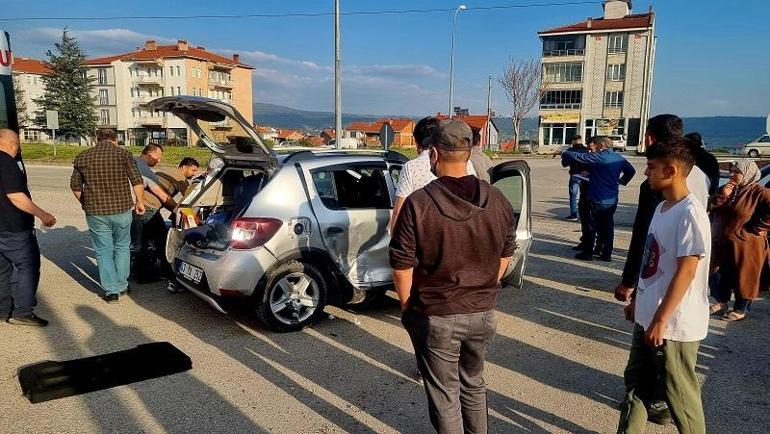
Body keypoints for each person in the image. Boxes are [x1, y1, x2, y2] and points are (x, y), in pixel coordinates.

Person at [390, 119, 516, 433]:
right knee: (474, 385)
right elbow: (507, 252)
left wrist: (407, 307)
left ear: (433, 154)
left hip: (437, 313)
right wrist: (487, 284)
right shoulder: (497, 199)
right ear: (470, 152)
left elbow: (402, 264)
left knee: (445, 396)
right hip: (483, 311)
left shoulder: (418, 204)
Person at [617, 140, 709, 434]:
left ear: (671, 170)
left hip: (673, 324)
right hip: (649, 317)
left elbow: (687, 270)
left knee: (679, 394)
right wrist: (638, 302)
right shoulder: (662, 208)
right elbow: (652, 261)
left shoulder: (690, 213)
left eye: (652, 168)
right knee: (635, 384)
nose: (646, 173)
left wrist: (660, 319)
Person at [71, 129, 145, 303]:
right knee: (122, 247)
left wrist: (86, 202)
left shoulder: (82, 156)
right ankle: (122, 286)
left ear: (97, 140)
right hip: (122, 210)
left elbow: (75, 187)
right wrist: (139, 201)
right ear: (115, 140)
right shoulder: (123, 154)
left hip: (96, 212)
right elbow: (137, 180)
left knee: (103, 251)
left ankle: (111, 292)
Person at [0, 129, 56, 326]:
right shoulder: (7, 163)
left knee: (3, 269)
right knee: (28, 266)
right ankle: (23, 311)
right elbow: (15, 196)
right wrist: (42, 214)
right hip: (14, 227)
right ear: (13, 144)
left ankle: (3, 309)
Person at [391, 116, 476, 232]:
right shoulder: (465, 163)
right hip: (460, 233)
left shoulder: (411, 167)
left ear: (416, 142)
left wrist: (395, 242)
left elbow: (398, 212)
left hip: (422, 236)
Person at [709, 160, 770, 321]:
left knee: (745, 276)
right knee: (720, 274)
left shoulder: (759, 192)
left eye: (736, 172)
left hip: (747, 244)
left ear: (748, 174)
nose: (731, 174)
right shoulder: (730, 189)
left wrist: (760, 226)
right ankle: (722, 302)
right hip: (724, 242)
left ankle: (741, 309)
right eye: (731, 170)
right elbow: (712, 207)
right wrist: (722, 196)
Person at [561, 136, 636, 261]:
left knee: (591, 226)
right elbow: (631, 171)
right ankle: (606, 254)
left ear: (602, 146)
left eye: (597, 145)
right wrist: (621, 181)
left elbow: (580, 157)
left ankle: (588, 253)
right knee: (607, 226)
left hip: (596, 197)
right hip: (611, 199)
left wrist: (565, 152)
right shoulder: (619, 158)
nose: (595, 147)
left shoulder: (600, 156)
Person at [130, 144, 176, 262]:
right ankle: (145, 272)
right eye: (158, 158)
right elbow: (162, 195)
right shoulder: (144, 170)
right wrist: (176, 210)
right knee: (152, 239)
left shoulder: (133, 160)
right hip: (141, 208)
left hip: (120, 209)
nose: (159, 161)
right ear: (149, 155)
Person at [684, 132, 720, 197]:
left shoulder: (689, 158)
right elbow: (715, 181)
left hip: (690, 195)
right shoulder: (711, 158)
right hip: (706, 195)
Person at [561, 135, 588, 221]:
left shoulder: (570, 150)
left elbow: (564, 164)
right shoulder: (586, 150)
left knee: (573, 196)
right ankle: (584, 214)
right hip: (586, 176)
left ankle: (574, 214)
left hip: (575, 175)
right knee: (584, 196)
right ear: (581, 140)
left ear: (573, 141)